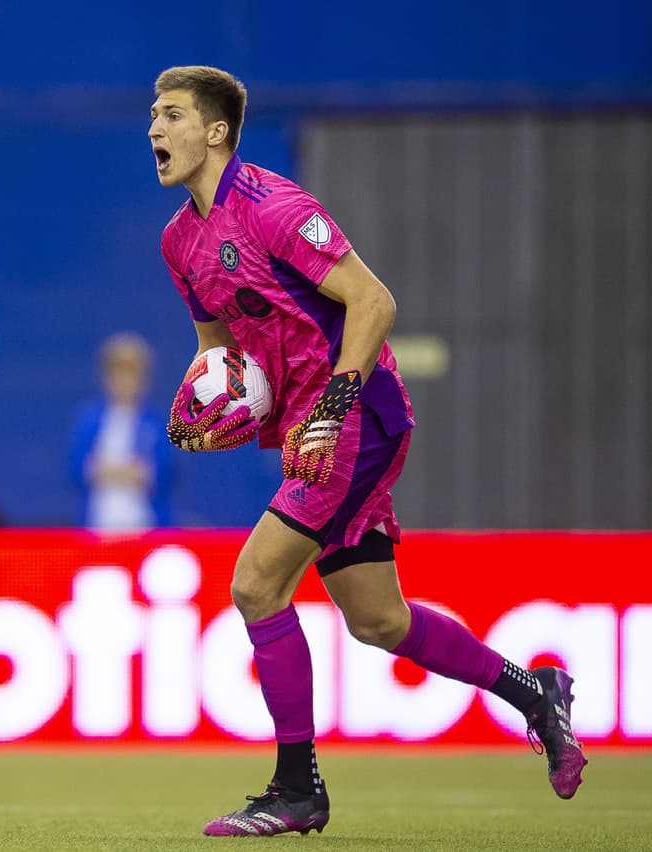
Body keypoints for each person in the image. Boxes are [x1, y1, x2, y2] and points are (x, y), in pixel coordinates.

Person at [149, 65, 587, 837]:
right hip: (309, 433)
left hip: (361, 416)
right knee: (378, 621)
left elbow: (374, 301)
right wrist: (212, 403)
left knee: (255, 585)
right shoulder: (180, 241)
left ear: (215, 132)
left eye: (172, 114)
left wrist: (335, 402)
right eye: (154, 115)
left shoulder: (277, 208)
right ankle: (536, 692)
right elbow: (218, 349)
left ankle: (297, 789)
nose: (154, 129)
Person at [67, 332, 174, 531]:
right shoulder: (89, 420)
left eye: (132, 373)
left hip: (145, 524)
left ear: (145, 379)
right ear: (106, 377)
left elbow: (162, 473)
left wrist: (109, 471)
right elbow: (79, 469)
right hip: (98, 522)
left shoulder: (157, 423)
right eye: (118, 373)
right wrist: (126, 472)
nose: (125, 381)